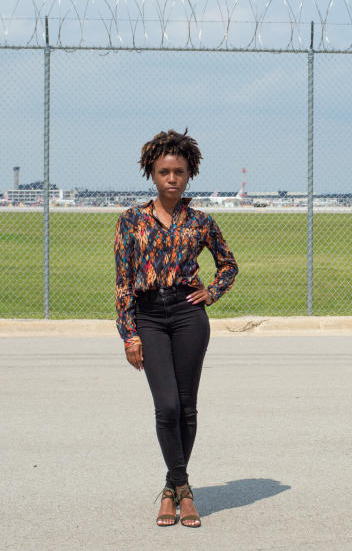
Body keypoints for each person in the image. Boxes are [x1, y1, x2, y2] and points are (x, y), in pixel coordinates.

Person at [114, 129, 238, 528]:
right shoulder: (131, 221)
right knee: (166, 406)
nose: (172, 178)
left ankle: (174, 491)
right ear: (152, 172)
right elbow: (122, 281)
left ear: (189, 174)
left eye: (179, 172)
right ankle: (181, 486)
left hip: (188, 316)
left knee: (186, 407)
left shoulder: (201, 222)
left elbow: (228, 264)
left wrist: (212, 293)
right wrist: (129, 334)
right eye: (165, 171)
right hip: (148, 315)